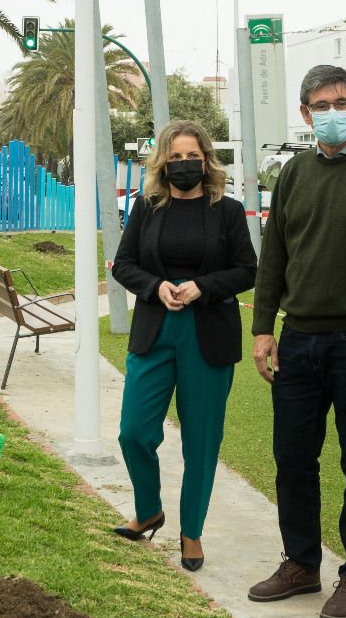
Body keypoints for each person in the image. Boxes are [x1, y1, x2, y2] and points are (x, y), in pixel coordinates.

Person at [247, 65, 346, 618]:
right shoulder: (292, 175)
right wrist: (264, 328)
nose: (329, 112)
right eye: (318, 105)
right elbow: (275, 257)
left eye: (340, 102)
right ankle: (301, 563)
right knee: (292, 457)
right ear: (305, 114)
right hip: (299, 338)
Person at [110, 120, 257, 571]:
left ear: (206, 160)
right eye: (174, 158)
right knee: (133, 431)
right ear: (161, 163)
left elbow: (246, 269)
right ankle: (149, 509)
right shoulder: (146, 207)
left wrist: (202, 287)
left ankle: (190, 532)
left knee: (201, 441)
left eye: (191, 156)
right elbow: (123, 264)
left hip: (207, 333)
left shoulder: (227, 211)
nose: (183, 165)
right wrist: (156, 287)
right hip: (156, 329)